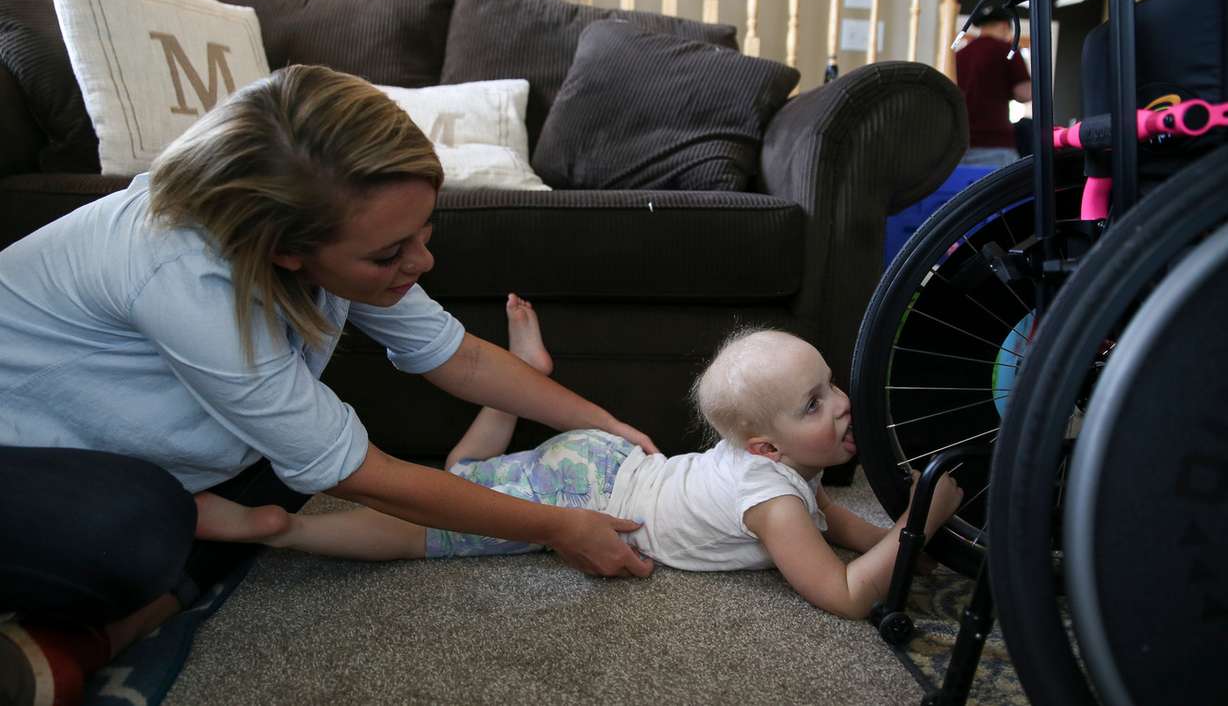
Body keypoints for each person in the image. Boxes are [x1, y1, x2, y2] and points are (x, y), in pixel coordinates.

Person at [0, 65, 658, 706]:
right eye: (390, 253)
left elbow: (461, 360)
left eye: (424, 233)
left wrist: (602, 424)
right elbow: (362, 474)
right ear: (285, 247)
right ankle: (128, 605)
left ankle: (116, 617)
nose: (421, 262)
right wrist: (557, 527)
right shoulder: (179, 272)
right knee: (142, 527)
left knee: (295, 469)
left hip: (115, 440)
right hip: (20, 455)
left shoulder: (302, 240)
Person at [195, 297, 964, 621]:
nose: (839, 405)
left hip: (604, 463)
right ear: (762, 446)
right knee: (428, 524)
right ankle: (282, 530)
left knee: (459, 484)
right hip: (587, 489)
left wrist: (902, 542)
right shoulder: (770, 498)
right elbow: (839, 593)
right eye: (814, 403)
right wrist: (914, 526)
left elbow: (830, 519)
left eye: (829, 387)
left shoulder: (779, 474)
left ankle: (522, 385)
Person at [955, 3, 1033, 168]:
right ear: (1005, 26)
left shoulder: (960, 55)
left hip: (960, 144)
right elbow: (1025, 94)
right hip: (996, 142)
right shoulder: (1007, 50)